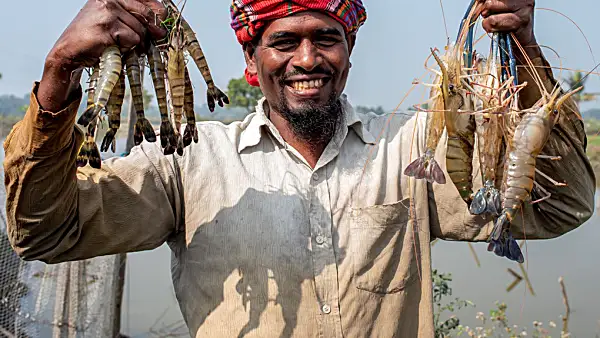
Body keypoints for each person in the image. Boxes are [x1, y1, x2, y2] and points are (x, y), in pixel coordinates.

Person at [3, 0, 595, 336]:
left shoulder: (413, 150)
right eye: (284, 40)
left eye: (326, 38)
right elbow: (41, 232)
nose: (307, 60)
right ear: (251, 56)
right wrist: (60, 70)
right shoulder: (188, 163)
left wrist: (521, 42)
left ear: (349, 48)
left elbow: (563, 208)